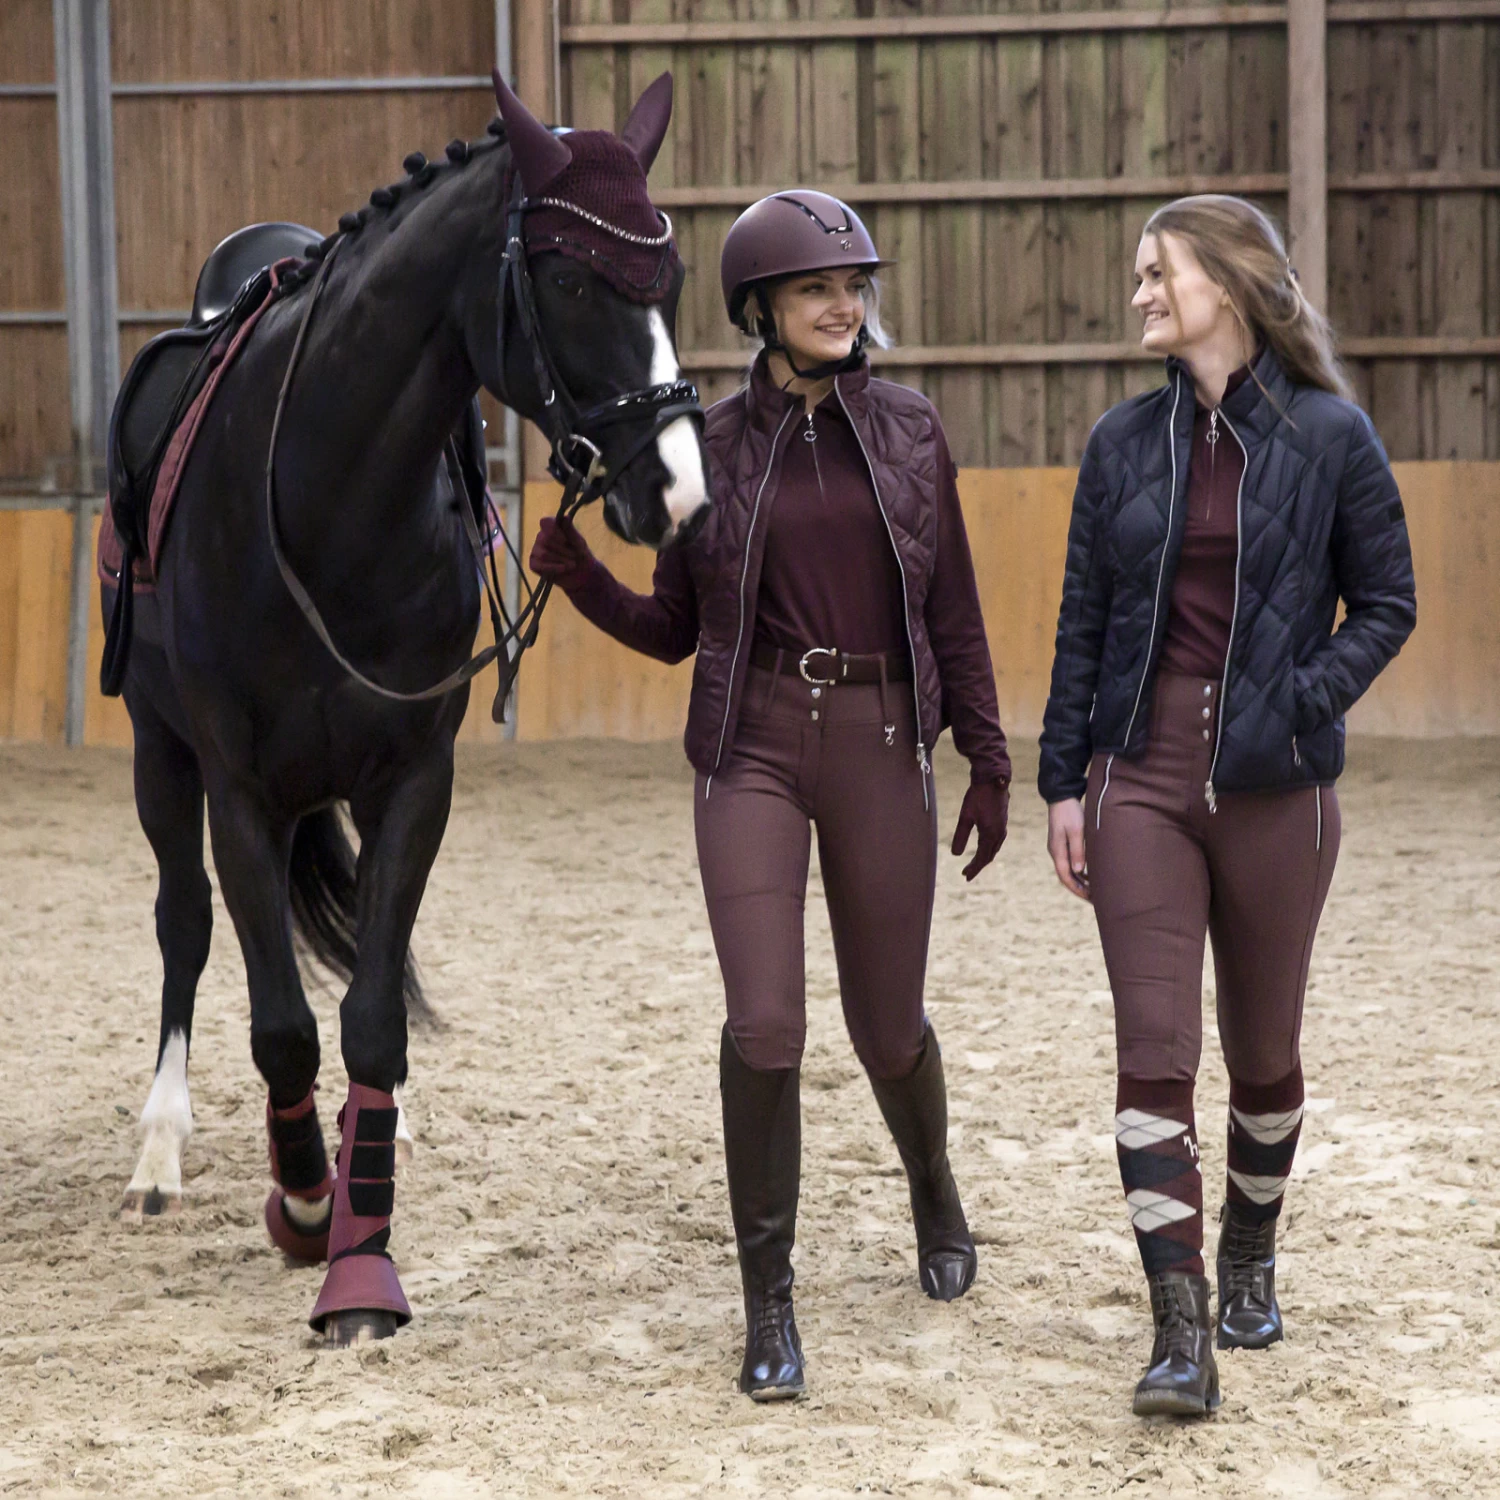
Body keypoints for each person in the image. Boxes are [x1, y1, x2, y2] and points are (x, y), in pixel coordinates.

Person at [529, 190, 1012, 1400]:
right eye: (816, 290)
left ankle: (932, 1186)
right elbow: (675, 628)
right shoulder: (703, 448)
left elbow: (954, 609)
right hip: (749, 745)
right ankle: (770, 1304)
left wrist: (992, 758)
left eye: (853, 288)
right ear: (761, 308)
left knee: (887, 1029)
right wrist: (579, 578)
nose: (844, 307)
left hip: (882, 740)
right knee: (765, 1025)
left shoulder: (910, 430)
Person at [1039, 194, 1416, 1417]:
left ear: (1233, 284)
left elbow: (1390, 603)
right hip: (1139, 778)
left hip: (1277, 787)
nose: (1142, 293)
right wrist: (1064, 781)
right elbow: (1083, 624)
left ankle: (1250, 1253)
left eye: (1161, 272)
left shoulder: (1332, 436)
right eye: (1139, 274)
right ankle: (1179, 1329)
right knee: (1153, 1055)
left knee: (1264, 1059)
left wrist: (1302, 698)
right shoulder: (1120, 443)